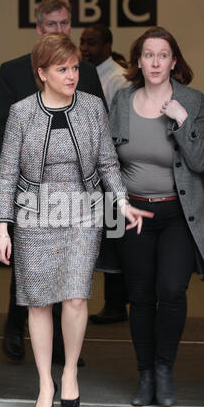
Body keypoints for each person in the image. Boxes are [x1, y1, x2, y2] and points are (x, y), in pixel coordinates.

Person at [0, 33, 153, 407]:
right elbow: (6, 174)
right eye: (62, 69)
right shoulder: (22, 113)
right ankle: (45, 382)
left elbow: (107, 163)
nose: (72, 75)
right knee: (39, 302)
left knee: (77, 296)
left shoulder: (92, 107)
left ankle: (69, 374)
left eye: (75, 68)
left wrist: (120, 201)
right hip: (34, 214)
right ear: (42, 73)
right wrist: (2, 226)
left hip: (83, 212)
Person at [0, 0, 107, 366]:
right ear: (39, 28)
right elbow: (4, 141)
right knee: (30, 279)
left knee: (73, 281)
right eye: (53, 25)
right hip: (32, 195)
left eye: (65, 24)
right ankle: (14, 328)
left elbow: (98, 132)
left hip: (77, 198)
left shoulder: (85, 72)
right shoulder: (13, 72)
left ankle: (64, 353)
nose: (60, 30)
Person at [109, 26, 204, 407]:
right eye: (148, 55)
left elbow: (202, 161)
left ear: (174, 61)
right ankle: (145, 374)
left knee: (171, 290)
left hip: (179, 214)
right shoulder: (122, 100)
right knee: (139, 296)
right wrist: (118, 204)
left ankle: (165, 369)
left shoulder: (193, 100)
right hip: (133, 212)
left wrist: (183, 120)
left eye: (162, 55)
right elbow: (107, 161)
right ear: (138, 61)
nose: (155, 62)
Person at [80, 24, 129, 324]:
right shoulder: (85, 74)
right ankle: (114, 303)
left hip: (114, 169)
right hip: (91, 168)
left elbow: (119, 129)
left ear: (108, 46)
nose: (85, 48)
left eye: (92, 43)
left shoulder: (118, 79)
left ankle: (116, 304)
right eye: (83, 42)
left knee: (115, 235)